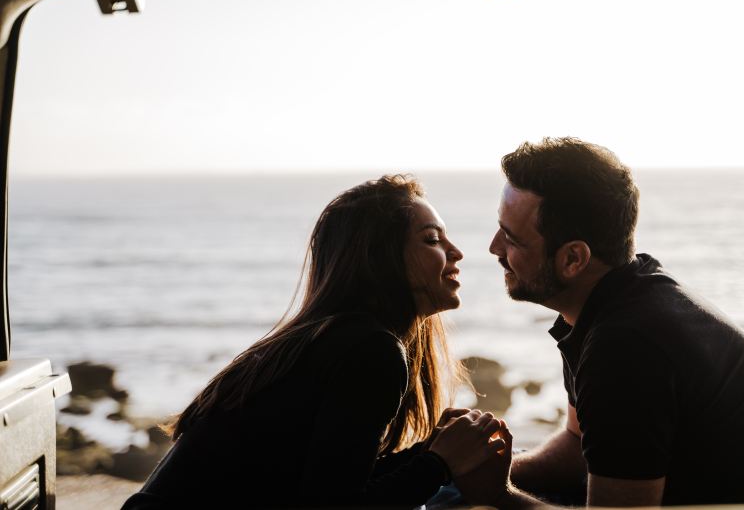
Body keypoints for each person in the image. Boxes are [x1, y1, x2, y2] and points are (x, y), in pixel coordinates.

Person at [455, 138, 744, 508]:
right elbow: (577, 446)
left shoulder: (626, 347)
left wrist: (498, 494)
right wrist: (483, 472)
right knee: (452, 491)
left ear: (573, 259)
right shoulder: (615, 299)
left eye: (512, 239)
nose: (493, 248)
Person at [122, 174, 509, 509]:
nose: (456, 252)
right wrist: (438, 464)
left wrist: (431, 450)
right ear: (381, 257)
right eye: (432, 240)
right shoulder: (370, 351)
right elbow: (332, 507)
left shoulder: (332, 339)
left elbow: (326, 485)